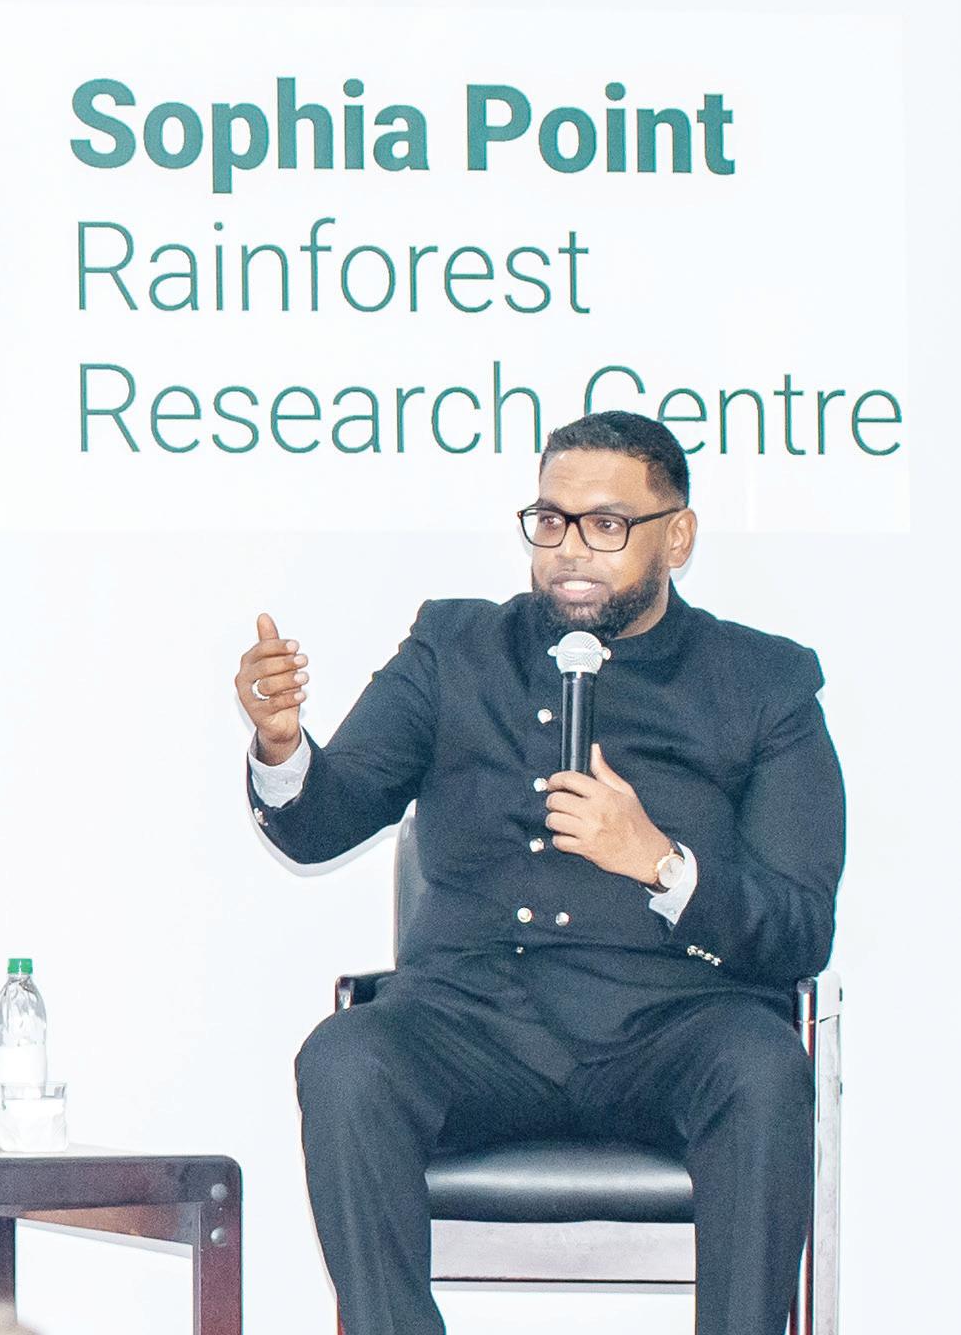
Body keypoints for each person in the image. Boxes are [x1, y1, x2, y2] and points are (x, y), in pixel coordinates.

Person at [235, 410, 844, 1335]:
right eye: (550, 521)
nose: (569, 550)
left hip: (671, 1028)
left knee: (763, 1068)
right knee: (346, 1057)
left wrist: (658, 862)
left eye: (605, 525)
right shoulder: (452, 649)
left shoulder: (763, 682)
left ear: (677, 537)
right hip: (475, 1025)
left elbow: (798, 929)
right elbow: (323, 824)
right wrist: (283, 748)